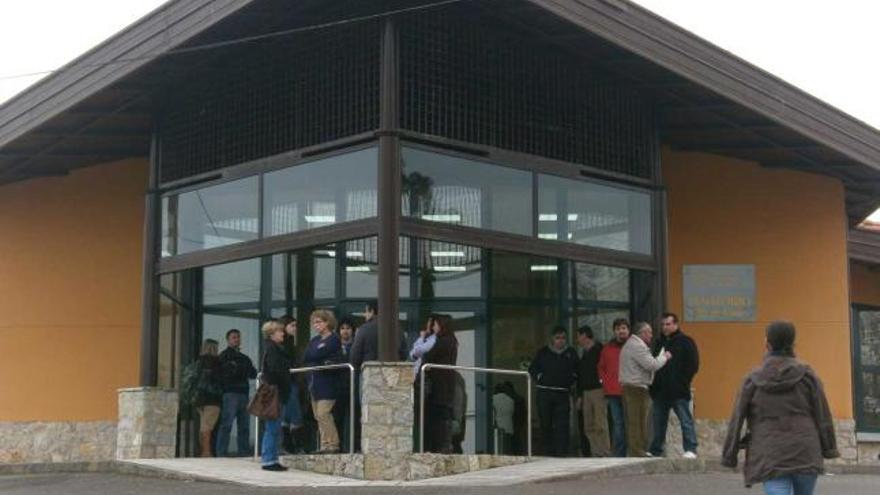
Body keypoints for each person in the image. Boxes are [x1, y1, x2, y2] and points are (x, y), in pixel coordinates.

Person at [722, 321, 838, 494]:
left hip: (770, 453)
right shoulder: (807, 376)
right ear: (793, 343)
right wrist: (829, 448)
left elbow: (736, 418)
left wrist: (729, 455)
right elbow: (823, 414)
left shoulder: (752, 379)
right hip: (805, 451)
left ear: (767, 344)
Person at [649, 312, 700, 459]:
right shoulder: (660, 343)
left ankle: (691, 449)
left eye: (668, 324)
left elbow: (693, 364)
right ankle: (655, 450)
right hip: (660, 391)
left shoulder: (686, 341)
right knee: (659, 423)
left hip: (678, 390)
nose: (665, 327)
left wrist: (683, 381)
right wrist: (654, 386)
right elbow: (654, 363)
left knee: (685, 420)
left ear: (676, 324)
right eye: (663, 324)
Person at [619, 321, 669, 457]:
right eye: (650, 332)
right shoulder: (637, 346)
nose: (651, 336)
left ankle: (639, 450)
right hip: (636, 388)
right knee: (637, 421)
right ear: (642, 333)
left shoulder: (632, 344)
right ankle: (637, 451)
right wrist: (665, 357)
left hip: (633, 387)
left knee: (638, 420)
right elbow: (651, 365)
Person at [528, 326, 578, 457]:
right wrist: (540, 377)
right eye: (558, 338)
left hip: (562, 393)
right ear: (552, 339)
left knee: (562, 425)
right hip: (545, 394)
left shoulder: (571, 353)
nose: (560, 341)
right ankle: (548, 453)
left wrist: (572, 379)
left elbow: (577, 370)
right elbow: (532, 368)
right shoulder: (543, 352)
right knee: (546, 424)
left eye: (563, 338)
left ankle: (562, 453)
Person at [303, 309, 342, 454]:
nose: (316, 325)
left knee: (323, 413)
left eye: (319, 322)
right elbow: (307, 355)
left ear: (327, 322)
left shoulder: (333, 339)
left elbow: (317, 353)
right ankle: (325, 444)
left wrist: (316, 355)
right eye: (314, 322)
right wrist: (316, 355)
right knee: (317, 415)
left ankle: (333, 444)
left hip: (328, 383)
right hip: (314, 383)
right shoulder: (314, 340)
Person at [216, 328, 257, 457]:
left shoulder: (244, 358)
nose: (237, 340)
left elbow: (253, 373)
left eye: (238, 337)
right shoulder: (224, 356)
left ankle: (243, 452)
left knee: (244, 425)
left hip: (243, 393)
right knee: (227, 424)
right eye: (234, 337)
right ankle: (221, 452)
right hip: (230, 393)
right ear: (228, 340)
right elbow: (220, 375)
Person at [422, 314, 459, 453]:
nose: (433, 327)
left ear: (442, 326)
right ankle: (445, 445)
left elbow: (426, 356)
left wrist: (426, 336)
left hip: (439, 386)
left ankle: (439, 447)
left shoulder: (442, 341)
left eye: (436, 325)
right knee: (444, 415)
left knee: (437, 418)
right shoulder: (452, 341)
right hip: (446, 386)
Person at [259, 319, 292, 471]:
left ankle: (271, 458)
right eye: (280, 331)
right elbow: (274, 370)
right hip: (275, 392)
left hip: (277, 391)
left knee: (274, 426)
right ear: (272, 334)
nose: (282, 333)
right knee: (272, 427)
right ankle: (268, 460)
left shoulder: (275, 347)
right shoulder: (272, 349)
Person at [181, 339, 223, 457]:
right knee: (208, 427)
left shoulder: (198, 363)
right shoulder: (217, 363)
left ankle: (203, 451)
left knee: (203, 426)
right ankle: (206, 452)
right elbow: (221, 380)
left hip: (199, 399)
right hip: (213, 399)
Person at [576, 325, 609, 457]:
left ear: (584, 336)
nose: (577, 339)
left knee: (600, 422)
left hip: (598, 390)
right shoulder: (584, 354)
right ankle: (596, 452)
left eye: (578, 336)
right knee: (588, 425)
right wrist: (580, 395)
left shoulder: (599, 350)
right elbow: (581, 376)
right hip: (586, 392)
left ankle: (605, 451)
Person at [598, 318, 629, 457]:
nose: (621, 331)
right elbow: (601, 367)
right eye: (618, 328)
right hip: (613, 392)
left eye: (623, 328)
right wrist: (604, 382)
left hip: (632, 391)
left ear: (628, 330)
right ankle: (619, 454)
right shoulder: (607, 348)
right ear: (614, 331)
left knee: (632, 423)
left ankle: (634, 452)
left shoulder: (635, 345)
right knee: (618, 424)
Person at [277, 315, 304, 454]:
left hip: (293, 382)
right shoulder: (282, 344)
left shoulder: (291, 343)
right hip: (286, 384)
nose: (295, 328)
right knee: (292, 415)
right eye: (292, 325)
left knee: (290, 414)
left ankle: (290, 446)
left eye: (295, 325)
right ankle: (291, 446)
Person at [333, 317, 356, 452]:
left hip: (353, 386)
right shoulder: (335, 347)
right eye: (342, 328)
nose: (345, 331)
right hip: (338, 387)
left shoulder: (356, 345)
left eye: (348, 328)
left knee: (354, 418)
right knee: (338, 418)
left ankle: (354, 446)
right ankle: (339, 447)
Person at [349, 300, 378, 371]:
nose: (364, 315)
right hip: (393, 375)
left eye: (366, 311)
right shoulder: (397, 328)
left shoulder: (364, 329)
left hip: (369, 371)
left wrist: (356, 368)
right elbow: (403, 353)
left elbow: (355, 355)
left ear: (372, 312)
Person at [492, 382, 515, 455]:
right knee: (507, 451)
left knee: (497, 450)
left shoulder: (492, 399)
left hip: (497, 428)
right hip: (509, 429)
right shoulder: (511, 400)